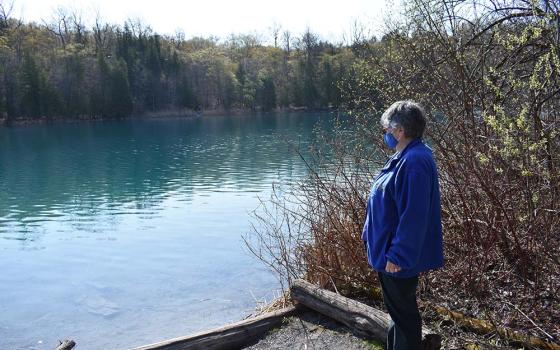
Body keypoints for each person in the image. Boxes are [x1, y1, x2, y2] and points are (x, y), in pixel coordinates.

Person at [361, 100, 444, 350]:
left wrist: (398, 254)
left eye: (386, 130)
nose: (385, 134)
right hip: (388, 252)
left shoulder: (415, 162)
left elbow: (414, 216)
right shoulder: (406, 155)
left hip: (396, 258)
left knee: (405, 319)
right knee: (398, 316)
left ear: (399, 130)